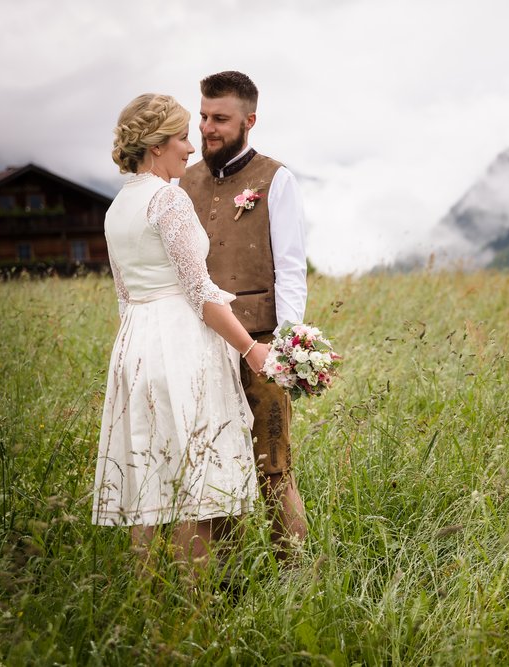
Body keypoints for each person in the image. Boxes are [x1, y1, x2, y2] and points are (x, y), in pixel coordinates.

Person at [91, 93, 271, 571]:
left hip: (135, 347)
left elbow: (124, 294)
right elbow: (201, 293)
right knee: (195, 487)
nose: (190, 148)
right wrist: (252, 349)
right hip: (181, 346)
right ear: (156, 147)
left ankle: (149, 608)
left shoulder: (117, 208)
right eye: (182, 137)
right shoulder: (168, 199)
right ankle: (193, 615)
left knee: (151, 481)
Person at [179, 71, 309, 561]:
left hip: (261, 347)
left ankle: (295, 576)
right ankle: (230, 581)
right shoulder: (184, 182)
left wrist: (285, 345)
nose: (207, 128)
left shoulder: (276, 179)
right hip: (197, 349)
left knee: (273, 469)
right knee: (211, 471)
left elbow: (292, 268)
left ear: (249, 121)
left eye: (220, 119)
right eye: (204, 116)